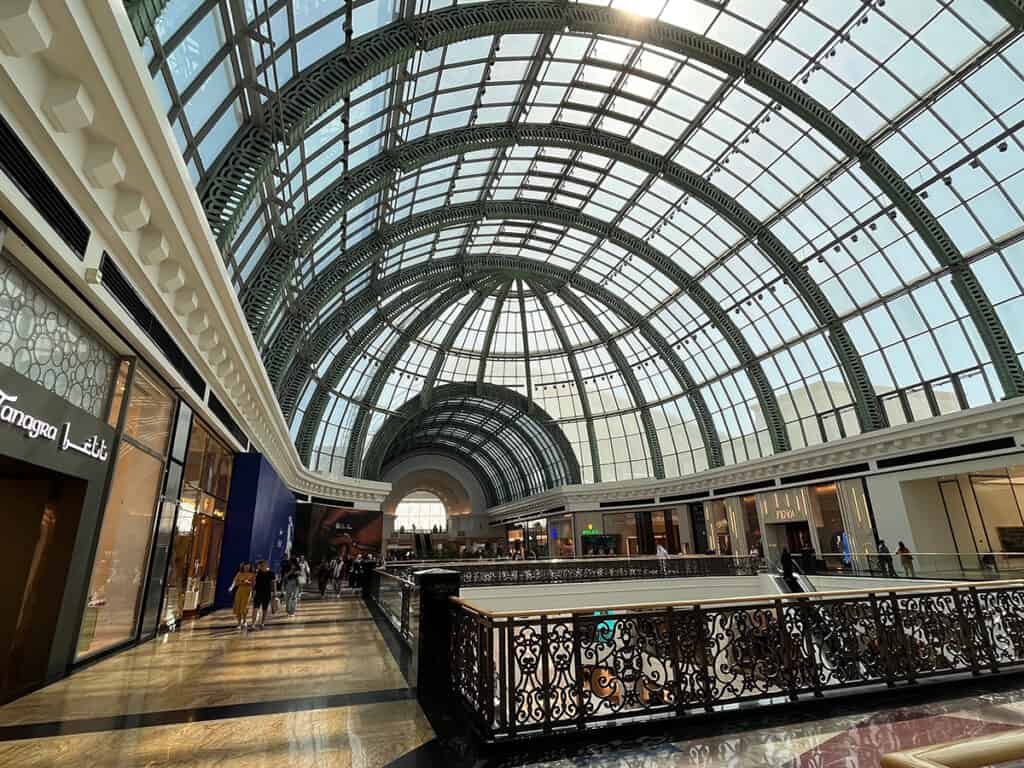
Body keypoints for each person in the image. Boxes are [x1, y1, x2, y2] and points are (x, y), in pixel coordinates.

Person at [229, 562, 254, 629]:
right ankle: (239, 623)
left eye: (248, 567)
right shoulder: (239, 573)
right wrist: (231, 587)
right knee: (238, 606)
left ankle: (245, 621)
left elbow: (254, 584)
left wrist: (248, 582)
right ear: (243, 567)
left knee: (244, 607)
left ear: (250, 567)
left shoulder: (252, 574)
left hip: (247, 591)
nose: (246, 568)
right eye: (245, 567)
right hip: (240, 591)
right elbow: (234, 581)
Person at [251, 560, 274, 629]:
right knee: (255, 608)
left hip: (267, 593)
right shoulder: (257, 573)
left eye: (263, 565)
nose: (262, 566)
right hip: (258, 593)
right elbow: (253, 583)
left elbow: (274, 583)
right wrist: (253, 591)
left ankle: (262, 623)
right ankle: (253, 624)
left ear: (266, 565)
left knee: (265, 609)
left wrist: (274, 593)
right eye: (261, 565)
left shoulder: (271, 573)